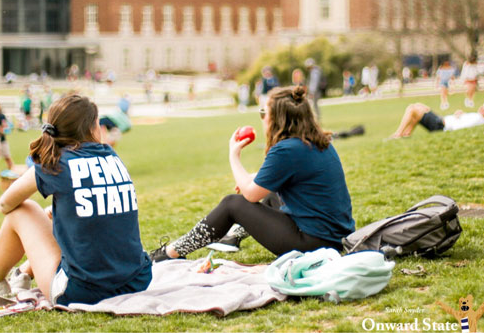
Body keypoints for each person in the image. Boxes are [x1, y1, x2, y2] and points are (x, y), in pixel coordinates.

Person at [0, 95, 152, 306]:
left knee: (24, 210)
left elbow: (5, 203)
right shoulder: (113, 157)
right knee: (58, 215)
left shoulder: (58, 163)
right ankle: (21, 274)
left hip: (83, 291)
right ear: (92, 127)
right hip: (137, 281)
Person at [149, 86, 355, 262]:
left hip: (314, 244)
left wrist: (233, 155)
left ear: (278, 119)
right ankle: (233, 237)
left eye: (263, 113)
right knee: (270, 191)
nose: (262, 118)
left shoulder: (286, 150)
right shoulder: (317, 141)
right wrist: (256, 179)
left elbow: (249, 195)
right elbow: (294, 176)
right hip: (336, 238)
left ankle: (170, 254)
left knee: (233, 204)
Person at [389, 102, 484, 139]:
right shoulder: (478, 117)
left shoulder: (478, 118)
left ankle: (398, 134)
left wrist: (457, 118)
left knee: (412, 109)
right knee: (419, 106)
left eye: (483, 108)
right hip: (441, 121)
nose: (481, 107)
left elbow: (460, 128)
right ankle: (406, 134)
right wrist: (460, 114)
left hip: (441, 126)